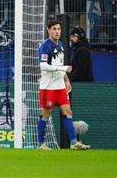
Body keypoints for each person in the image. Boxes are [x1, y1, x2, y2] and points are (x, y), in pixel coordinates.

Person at [36, 19, 89, 150]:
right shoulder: (45, 46)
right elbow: (43, 66)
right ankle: (40, 144)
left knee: (67, 112)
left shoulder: (60, 45)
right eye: (54, 29)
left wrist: (66, 79)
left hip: (60, 86)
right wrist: (63, 69)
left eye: (59, 29)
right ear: (48, 30)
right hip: (48, 87)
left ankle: (73, 143)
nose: (57, 32)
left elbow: (59, 65)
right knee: (46, 114)